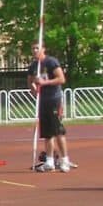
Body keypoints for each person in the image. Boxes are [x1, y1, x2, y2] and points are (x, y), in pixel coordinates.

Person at [27, 42, 72, 173]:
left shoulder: (51, 62)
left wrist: (44, 82)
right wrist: (34, 92)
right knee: (47, 134)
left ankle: (65, 160)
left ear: (43, 49)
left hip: (54, 99)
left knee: (58, 131)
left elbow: (61, 79)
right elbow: (29, 81)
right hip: (42, 101)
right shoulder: (34, 66)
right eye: (33, 48)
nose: (35, 50)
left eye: (37, 48)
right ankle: (50, 161)